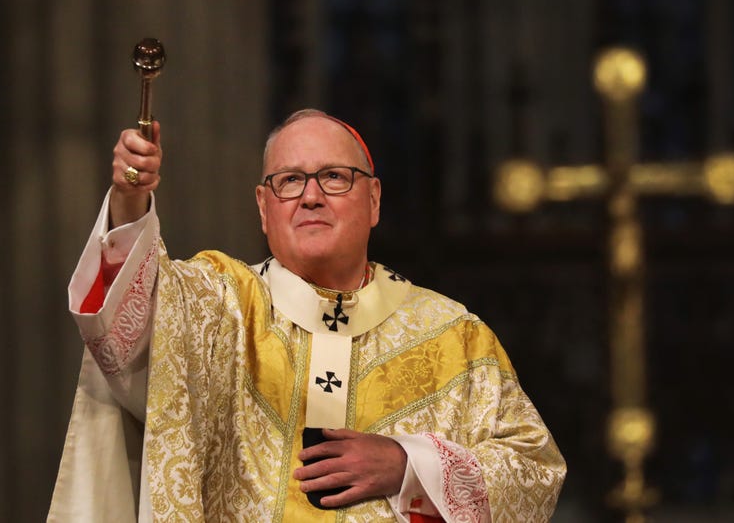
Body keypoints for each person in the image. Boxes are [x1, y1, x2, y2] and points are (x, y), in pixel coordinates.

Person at [49, 109, 566, 522]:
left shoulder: (455, 338)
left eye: (334, 177)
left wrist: (410, 465)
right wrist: (129, 199)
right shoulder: (218, 306)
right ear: (262, 206)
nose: (311, 196)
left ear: (374, 200)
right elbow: (122, 331)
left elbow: (534, 472)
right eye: (290, 180)